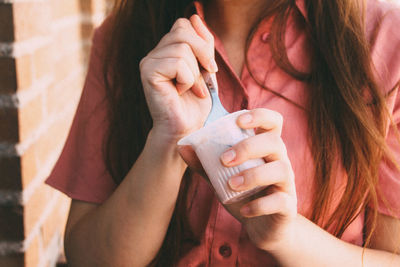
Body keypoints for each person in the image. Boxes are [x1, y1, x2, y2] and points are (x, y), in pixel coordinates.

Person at [46, 0, 400, 266]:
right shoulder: (122, 38)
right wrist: (166, 142)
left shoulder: (383, 39)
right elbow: (87, 257)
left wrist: (287, 235)